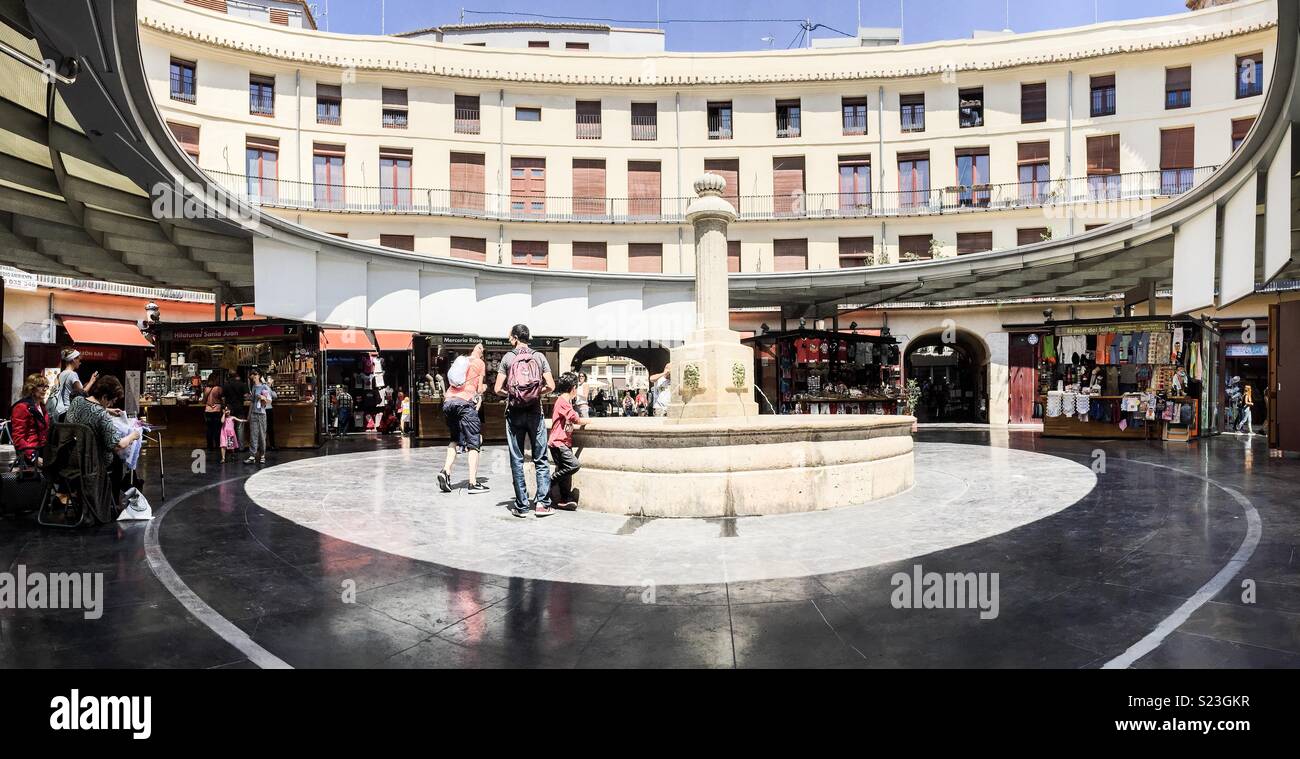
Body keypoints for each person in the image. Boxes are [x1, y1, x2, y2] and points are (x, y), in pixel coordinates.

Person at [494, 324, 555, 517]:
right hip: (535, 412)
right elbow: (551, 386)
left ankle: (521, 506)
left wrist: (512, 395)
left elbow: (496, 389)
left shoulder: (508, 358)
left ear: (514, 338)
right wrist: (535, 393)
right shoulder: (539, 356)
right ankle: (542, 504)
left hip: (514, 413)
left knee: (517, 458)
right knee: (541, 458)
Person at [63, 375, 143, 477]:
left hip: (71, 455)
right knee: (118, 461)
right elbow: (118, 445)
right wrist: (133, 435)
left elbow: (90, 408)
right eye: (111, 401)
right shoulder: (102, 416)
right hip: (93, 462)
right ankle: (112, 491)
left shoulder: (77, 400)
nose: (111, 405)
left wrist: (108, 410)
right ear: (104, 397)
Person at [438, 343, 489, 495]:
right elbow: (479, 389)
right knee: (474, 442)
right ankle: (473, 483)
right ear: (482, 352)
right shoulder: (480, 363)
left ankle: (445, 471)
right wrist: (484, 388)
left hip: (448, 402)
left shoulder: (463, 360)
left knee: (455, 438)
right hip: (465, 403)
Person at [548, 372, 587, 510]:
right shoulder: (564, 401)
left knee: (565, 475)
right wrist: (588, 421)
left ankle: (564, 500)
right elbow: (575, 419)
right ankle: (551, 481)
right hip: (558, 442)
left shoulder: (564, 400)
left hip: (562, 442)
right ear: (573, 388)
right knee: (573, 465)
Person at [10, 373, 51, 466]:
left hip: (43, 450)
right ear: (31, 388)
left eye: (46, 386)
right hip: (30, 454)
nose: (44, 389)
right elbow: (18, 437)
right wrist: (32, 456)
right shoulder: (21, 407)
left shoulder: (42, 406)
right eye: (40, 386)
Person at [46, 348, 98, 421]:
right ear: (74, 359)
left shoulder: (60, 374)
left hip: (58, 411)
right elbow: (82, 394)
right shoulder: (72, 374)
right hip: (68, 411)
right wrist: (92, 381)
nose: (80, 363)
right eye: (79, 360)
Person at [244, 369, 273, 465]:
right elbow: (252, 402)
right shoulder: (253, 387)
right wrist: (249, 415)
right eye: (252, 374)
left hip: (261, 413)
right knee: (253, 435)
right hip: (254, 413)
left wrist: (262, 398)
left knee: (262, 435)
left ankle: (262, 455)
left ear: (259, 375)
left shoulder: (264, 386)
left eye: (255, 374)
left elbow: (268, 401)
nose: (253, 376)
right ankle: (252, 456)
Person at [222, 371, 249, 450]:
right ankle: (241, 447)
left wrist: (225, 407)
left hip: (229, 408)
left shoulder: (225, 385)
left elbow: (223, 398)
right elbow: (247, 396)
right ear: (237, 376)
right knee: (240, 428)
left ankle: (231, 447)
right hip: (239, 407)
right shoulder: (242, 384)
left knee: (230, 428)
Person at [202, 376, 224, 451]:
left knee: (209, 429)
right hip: (217, 410)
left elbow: (204, 401)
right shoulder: (218, 388)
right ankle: (218, 445)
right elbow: (222, 399)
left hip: (208, 410)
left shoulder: (206, 389)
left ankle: (210, 446)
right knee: (217, 429)